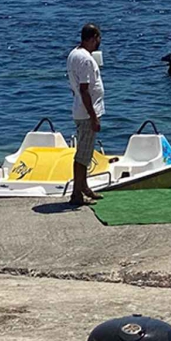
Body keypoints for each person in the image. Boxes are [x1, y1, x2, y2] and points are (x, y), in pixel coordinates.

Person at [66, 22, 105, 206]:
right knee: (82, 156)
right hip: (86, 113)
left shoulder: (74, 54)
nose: (99, 43)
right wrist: (94, 116)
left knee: (85, 153)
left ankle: (84, 187)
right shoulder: (86, 60)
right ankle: (77, 193)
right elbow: (84, 90)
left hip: (79, 109)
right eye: (98, 39)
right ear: (92, 38)